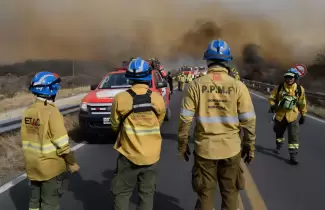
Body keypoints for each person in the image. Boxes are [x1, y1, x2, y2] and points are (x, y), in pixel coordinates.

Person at [178, 39, 256, 210]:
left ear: (207, 60)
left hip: (205, 150)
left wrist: (182, 144)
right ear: (227, 60)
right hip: (231, 149)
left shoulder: (195, 86)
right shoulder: (238, 86)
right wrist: (249, 146)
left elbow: (185, 119)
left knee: (205, 195)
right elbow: (249, 120)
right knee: (230, 195)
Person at [110, 57, 166, 210]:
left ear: (129, 77)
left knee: (122, 194)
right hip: (151, 156)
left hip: (128, 155)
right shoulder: (157, 98)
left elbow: (114, 125)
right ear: (148, 76)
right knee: (146, 195)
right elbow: (159, 121)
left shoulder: (120, 98)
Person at [22, 72, 80, 210]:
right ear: (51, 90)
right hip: (50, 168)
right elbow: (62, 144)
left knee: (34, 202)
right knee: (50, 203)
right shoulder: (51, 112)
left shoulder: (28, 111)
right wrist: (72, 163)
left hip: (32, 166)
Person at [268, 68, 307, 164]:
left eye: (291, 77)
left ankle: (293, 156)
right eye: (287, 77)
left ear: (295, 78)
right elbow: (271, 98)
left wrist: (303, 115)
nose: (289, 79)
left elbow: (302, 103)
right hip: (280, 115)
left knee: (294, 136)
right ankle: (279, 144)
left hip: (293, 116)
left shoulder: (299, 89)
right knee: (279, 133)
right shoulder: (280, 88)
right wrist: (273, 106)